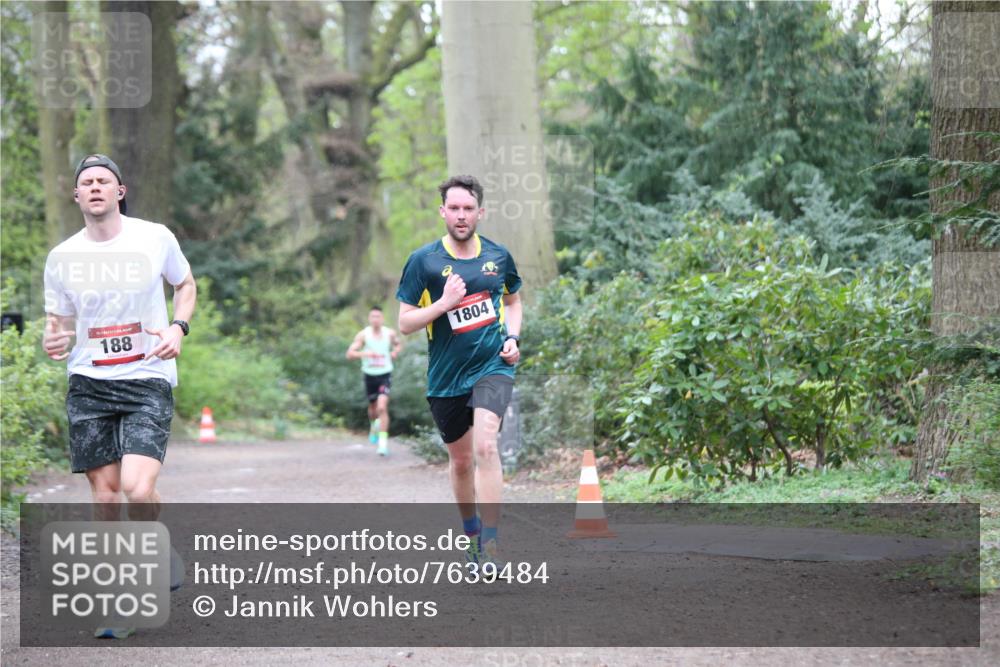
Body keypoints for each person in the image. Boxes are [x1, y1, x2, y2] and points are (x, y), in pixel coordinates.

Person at [42, 154, 197, 638]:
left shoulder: (154, 237)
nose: (94, 188)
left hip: (147, 376)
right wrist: (53, 337)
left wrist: (178, 326)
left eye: (102, 181)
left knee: (135, 487)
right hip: (89, 382)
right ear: (76, 195)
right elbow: (59, 321)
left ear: (119, 191)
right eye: (85, 182)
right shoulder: (62, 256)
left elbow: (185, 284)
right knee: (106, 498)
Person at [396, 175, 522, 567]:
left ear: (480, 212)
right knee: (462, 461)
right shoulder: (424, 262)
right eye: (454, 208)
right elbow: (405, 322)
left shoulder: (499, 257)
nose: (461, 215)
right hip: (446, 377)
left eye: (469, 209)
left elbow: (514, 301)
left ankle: (493, 543)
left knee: (486, 446)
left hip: (492, 367)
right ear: (442, 212)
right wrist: (443, 304)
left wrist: (513, 338)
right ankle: (471, 537)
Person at [346, 306, 402, 456]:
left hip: (385, 373)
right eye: (373, 317)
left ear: (382, 319)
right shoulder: (363, 335)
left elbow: (398, 344)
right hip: (369, 375)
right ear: (369, 319)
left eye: (378, 317)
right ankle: (373, 425)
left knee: (382, 407)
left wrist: (395, 352)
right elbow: (350, 354)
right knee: (373, 409)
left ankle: (382, 445)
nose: (375, 319)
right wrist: (365, 353)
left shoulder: (389, 333)